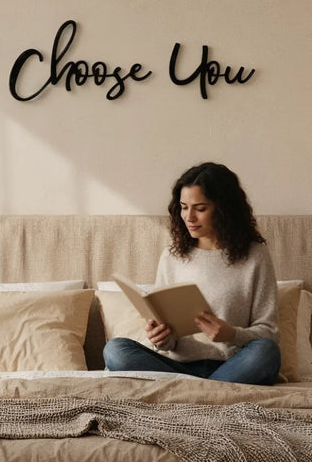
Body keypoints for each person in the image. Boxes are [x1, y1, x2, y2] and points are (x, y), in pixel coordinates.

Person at [103, 162, 280, 385]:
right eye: (184, 207)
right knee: (115, 350)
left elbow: (270, 332)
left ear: (224, 208)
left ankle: (191, 393)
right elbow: (167, 337)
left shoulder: (255, 255)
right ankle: (209, 394)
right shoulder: (172, 255)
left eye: (200, 208)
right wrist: (161, 339)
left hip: (234, 366)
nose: (189, 217)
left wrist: (232, 335)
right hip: (176, 368)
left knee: (267, 352)